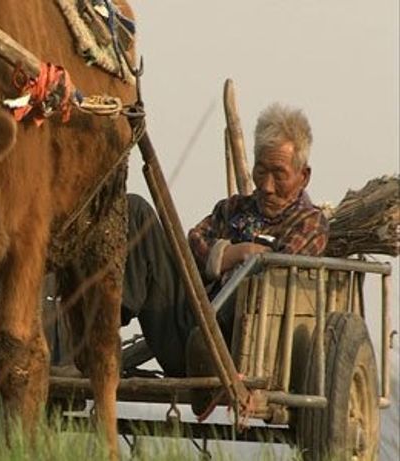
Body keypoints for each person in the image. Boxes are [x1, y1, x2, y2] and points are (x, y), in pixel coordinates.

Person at [121, 103, 329, 377]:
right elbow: (193, 242)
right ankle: (103, 326)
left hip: (237, 349)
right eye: (261, 171)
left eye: (279, 175)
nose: (266, 186)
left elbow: (276, 267)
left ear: (303, 176)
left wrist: (250, 260)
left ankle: (209, 358)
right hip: (187, 326)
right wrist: (234, 253)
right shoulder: (232, 208)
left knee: (253, 280)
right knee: (135, 209)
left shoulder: (309, 223)